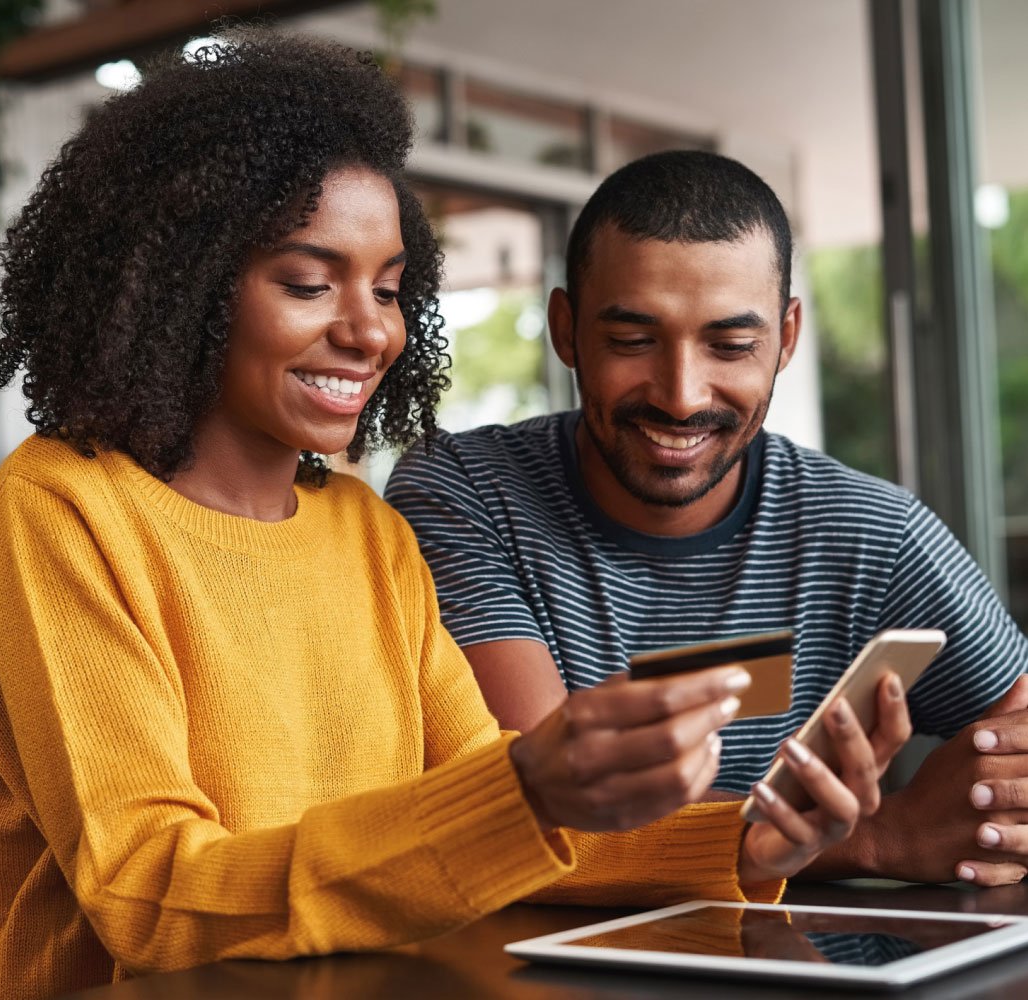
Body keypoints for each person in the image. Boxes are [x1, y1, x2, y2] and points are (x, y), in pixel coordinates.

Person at [0, 34, 907, 1000]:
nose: (369, 330)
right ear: (182, 287)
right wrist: (522, 792)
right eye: (310, 283)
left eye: (390, 289)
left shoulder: (365, 530)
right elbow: (149, 898)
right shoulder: (65, 505)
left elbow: (494, 823)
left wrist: (740, 838)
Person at [385, 149, 1028, 888]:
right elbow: (545, 812)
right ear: (566, 329)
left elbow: (1015, 732)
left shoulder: (872, 535)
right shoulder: (466, 494)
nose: (682, 395)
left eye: (731, 345)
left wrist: (987, 803)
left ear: (786, 339)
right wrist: (879, 839)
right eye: (632, 340)